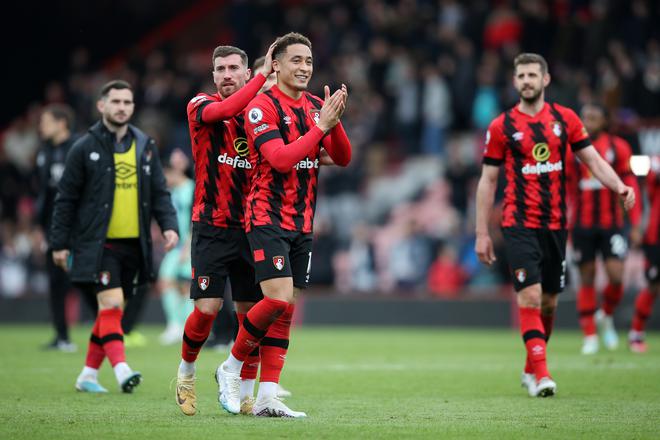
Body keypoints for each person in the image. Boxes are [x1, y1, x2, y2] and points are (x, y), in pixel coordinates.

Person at [475, 53, 635, 398]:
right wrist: (482, 232)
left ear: (545, 80)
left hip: (557, 224)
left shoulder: (566, 119)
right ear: (515, 81)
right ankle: (543, 375)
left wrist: (619, 186)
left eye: (533, 74)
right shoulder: (501, 126)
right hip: (517, 222)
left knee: (548, 303)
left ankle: (530, 367)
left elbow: (591, 159)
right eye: (521, 76)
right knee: (530, 296)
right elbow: (487, 181)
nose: (527, 81)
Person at [215, 32, 351, 417]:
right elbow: (279, 159)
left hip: (302, 221)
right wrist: (320, 127)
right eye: (296, 60)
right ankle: (230, 366)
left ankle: (267, 396)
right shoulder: (261, 107)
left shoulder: (313, 106)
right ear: (276, 65)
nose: (304, 67)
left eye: (308, 61)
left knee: (286, 309)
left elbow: (342, 158)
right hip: (266, 217)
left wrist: (332, 121)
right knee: (276, 299)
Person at [50, 80, 179, 393]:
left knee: (112, 309)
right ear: (101, 106)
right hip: (98, 243)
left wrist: (168, 225)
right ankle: (122, 370)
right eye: (116, 101)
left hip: (135, 243)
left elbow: (160, 192)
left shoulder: (145, 145)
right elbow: (66, 197)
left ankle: (88, 375)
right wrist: (60, 242)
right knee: (112, 302)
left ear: (132, 107)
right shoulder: (84, 147)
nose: (122, 107)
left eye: (127, 102)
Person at [175, 41, 278, 416]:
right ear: (213, 75)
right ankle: (186, 372)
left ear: (246, 73)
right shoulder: (201, 106)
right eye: (221, 69)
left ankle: (244, 390)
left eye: (235, 68)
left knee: (250, 313)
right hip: (211, 225)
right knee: (207, 308)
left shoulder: (261, 114)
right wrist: (266, 74)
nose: (227, 75)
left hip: (252, 226)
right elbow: (228, 108)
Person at [570, 103, 642, 355]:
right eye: (584, 116)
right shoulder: (572, 151)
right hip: (582, 224)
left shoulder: (619, 147)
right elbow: (566, 187)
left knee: (616, 276)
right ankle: (589, 335)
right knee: (586, 276)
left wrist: (634, 223)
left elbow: (631, 184)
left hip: (612, 224)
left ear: (604, 121)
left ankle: (606, 315)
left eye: (593, 117)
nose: (587, 121)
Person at [36, 104, 96, 352]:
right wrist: (41, 228)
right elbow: (44, 194)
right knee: (55, 282)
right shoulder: (45, 152)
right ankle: (62, 336)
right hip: (53, 227)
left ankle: (111, 327)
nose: (41, 126)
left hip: (79, 228)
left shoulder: (79, 147)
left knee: (84, 280)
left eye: (46, 121)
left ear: (61, 123)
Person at [158, 148, 195, 345]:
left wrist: (188, 246)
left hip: (187, 244)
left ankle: (186, 327)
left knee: (186, 286)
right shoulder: (171, 192)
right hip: (175, 245)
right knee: (166, 281)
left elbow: (193, 220)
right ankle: (175, 324)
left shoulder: (191, 188)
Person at [628, 156, 660, 353]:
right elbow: (647, 176)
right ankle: (636, 334)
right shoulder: (655, 163)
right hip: (657, 236)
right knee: (653, 285)